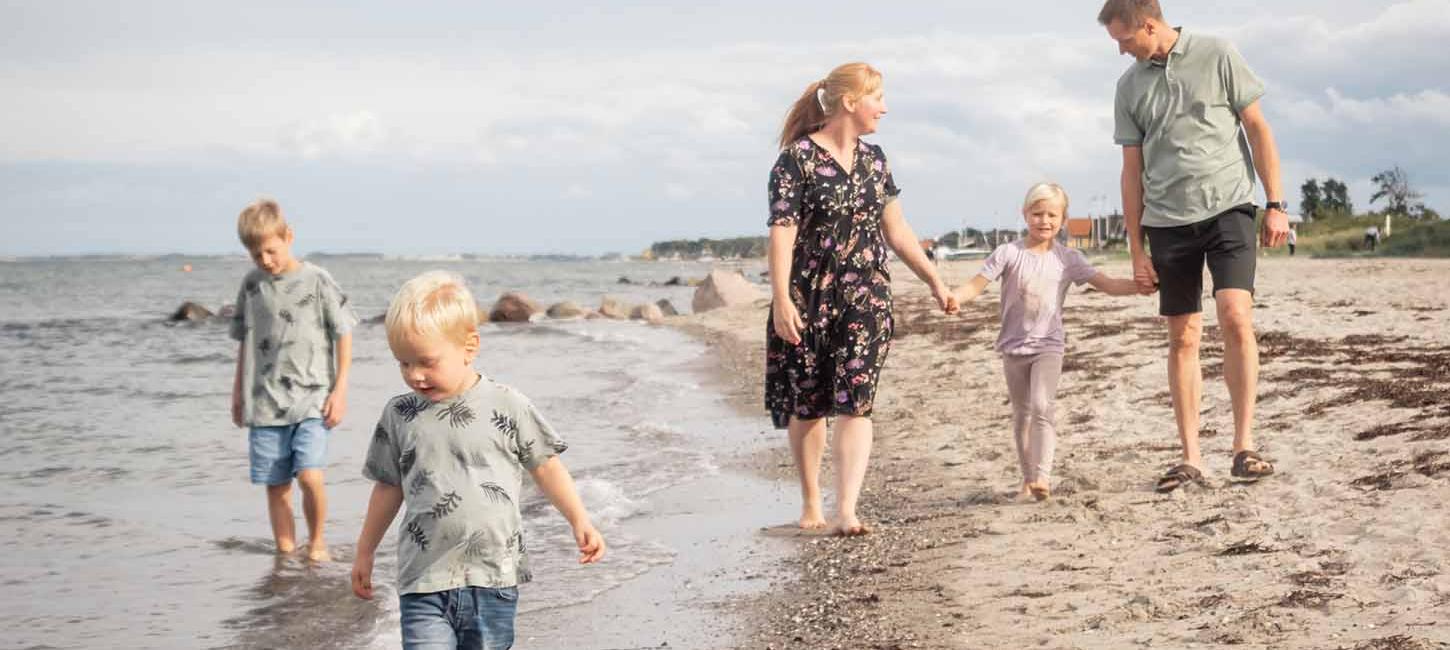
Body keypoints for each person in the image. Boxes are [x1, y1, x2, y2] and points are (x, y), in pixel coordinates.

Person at [351, 271, 604, 649]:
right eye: (402, 363)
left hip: (493, 579)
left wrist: (580, 519)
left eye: (426, 362)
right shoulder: (399, 414)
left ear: (469, 347)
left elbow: (546, 466)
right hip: (423, 581)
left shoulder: (507, 405)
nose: (415, 375)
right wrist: (365, 551)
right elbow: (388, 487)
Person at [1100, 0, 1287, 492]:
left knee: (1235, 315)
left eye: (1124, 40)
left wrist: (1276, 203)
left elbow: (1257, 128)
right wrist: (1136, 249)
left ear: (1149, 24)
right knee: (1182, 337)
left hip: (1229, 208)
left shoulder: (1218, 53)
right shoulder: (1129, 86)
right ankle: (1191, 458)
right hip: (1167, 222)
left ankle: (1244, 446)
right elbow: (1131, 171)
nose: (1121, 51)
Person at [766, 62, 958, 535]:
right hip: (808, 296)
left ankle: (847, 508)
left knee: (857, 399)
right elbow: (782, 234)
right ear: (851, 102)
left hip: (866, 296)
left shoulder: (875, 160)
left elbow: (896, 229)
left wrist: (934, 279)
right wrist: (780, 299)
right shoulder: (796, 160)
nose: (885, 107)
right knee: (809, 402)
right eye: (878, 98)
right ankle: (812, 502)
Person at [953, 183, 1143, 500]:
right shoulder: (1008, 253)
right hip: (1013, 347)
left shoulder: (1068, 259)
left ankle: (1043, 477)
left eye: (1052, 215)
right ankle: (1027, 480)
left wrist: (1141, 286)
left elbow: (1106, 284)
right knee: (1022, 413)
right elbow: (975, 285)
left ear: (1063, 218)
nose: (1044, 221)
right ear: (1025, 214)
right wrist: (954, 298)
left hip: (1048, 346)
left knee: (1043, 405)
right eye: (1037, 213)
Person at [230, 198, 356, 561]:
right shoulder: (253, 286)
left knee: (309, 476)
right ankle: (286, 554)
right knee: (276, 486)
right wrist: (238, 393)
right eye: (257, 255)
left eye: (270, 250)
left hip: (313, 399)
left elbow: (343, 332)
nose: (265, 261)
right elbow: (245, 343)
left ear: (289, 237)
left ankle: (317, 542)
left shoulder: (317, 280)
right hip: (265, 402)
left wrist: (341, 389)